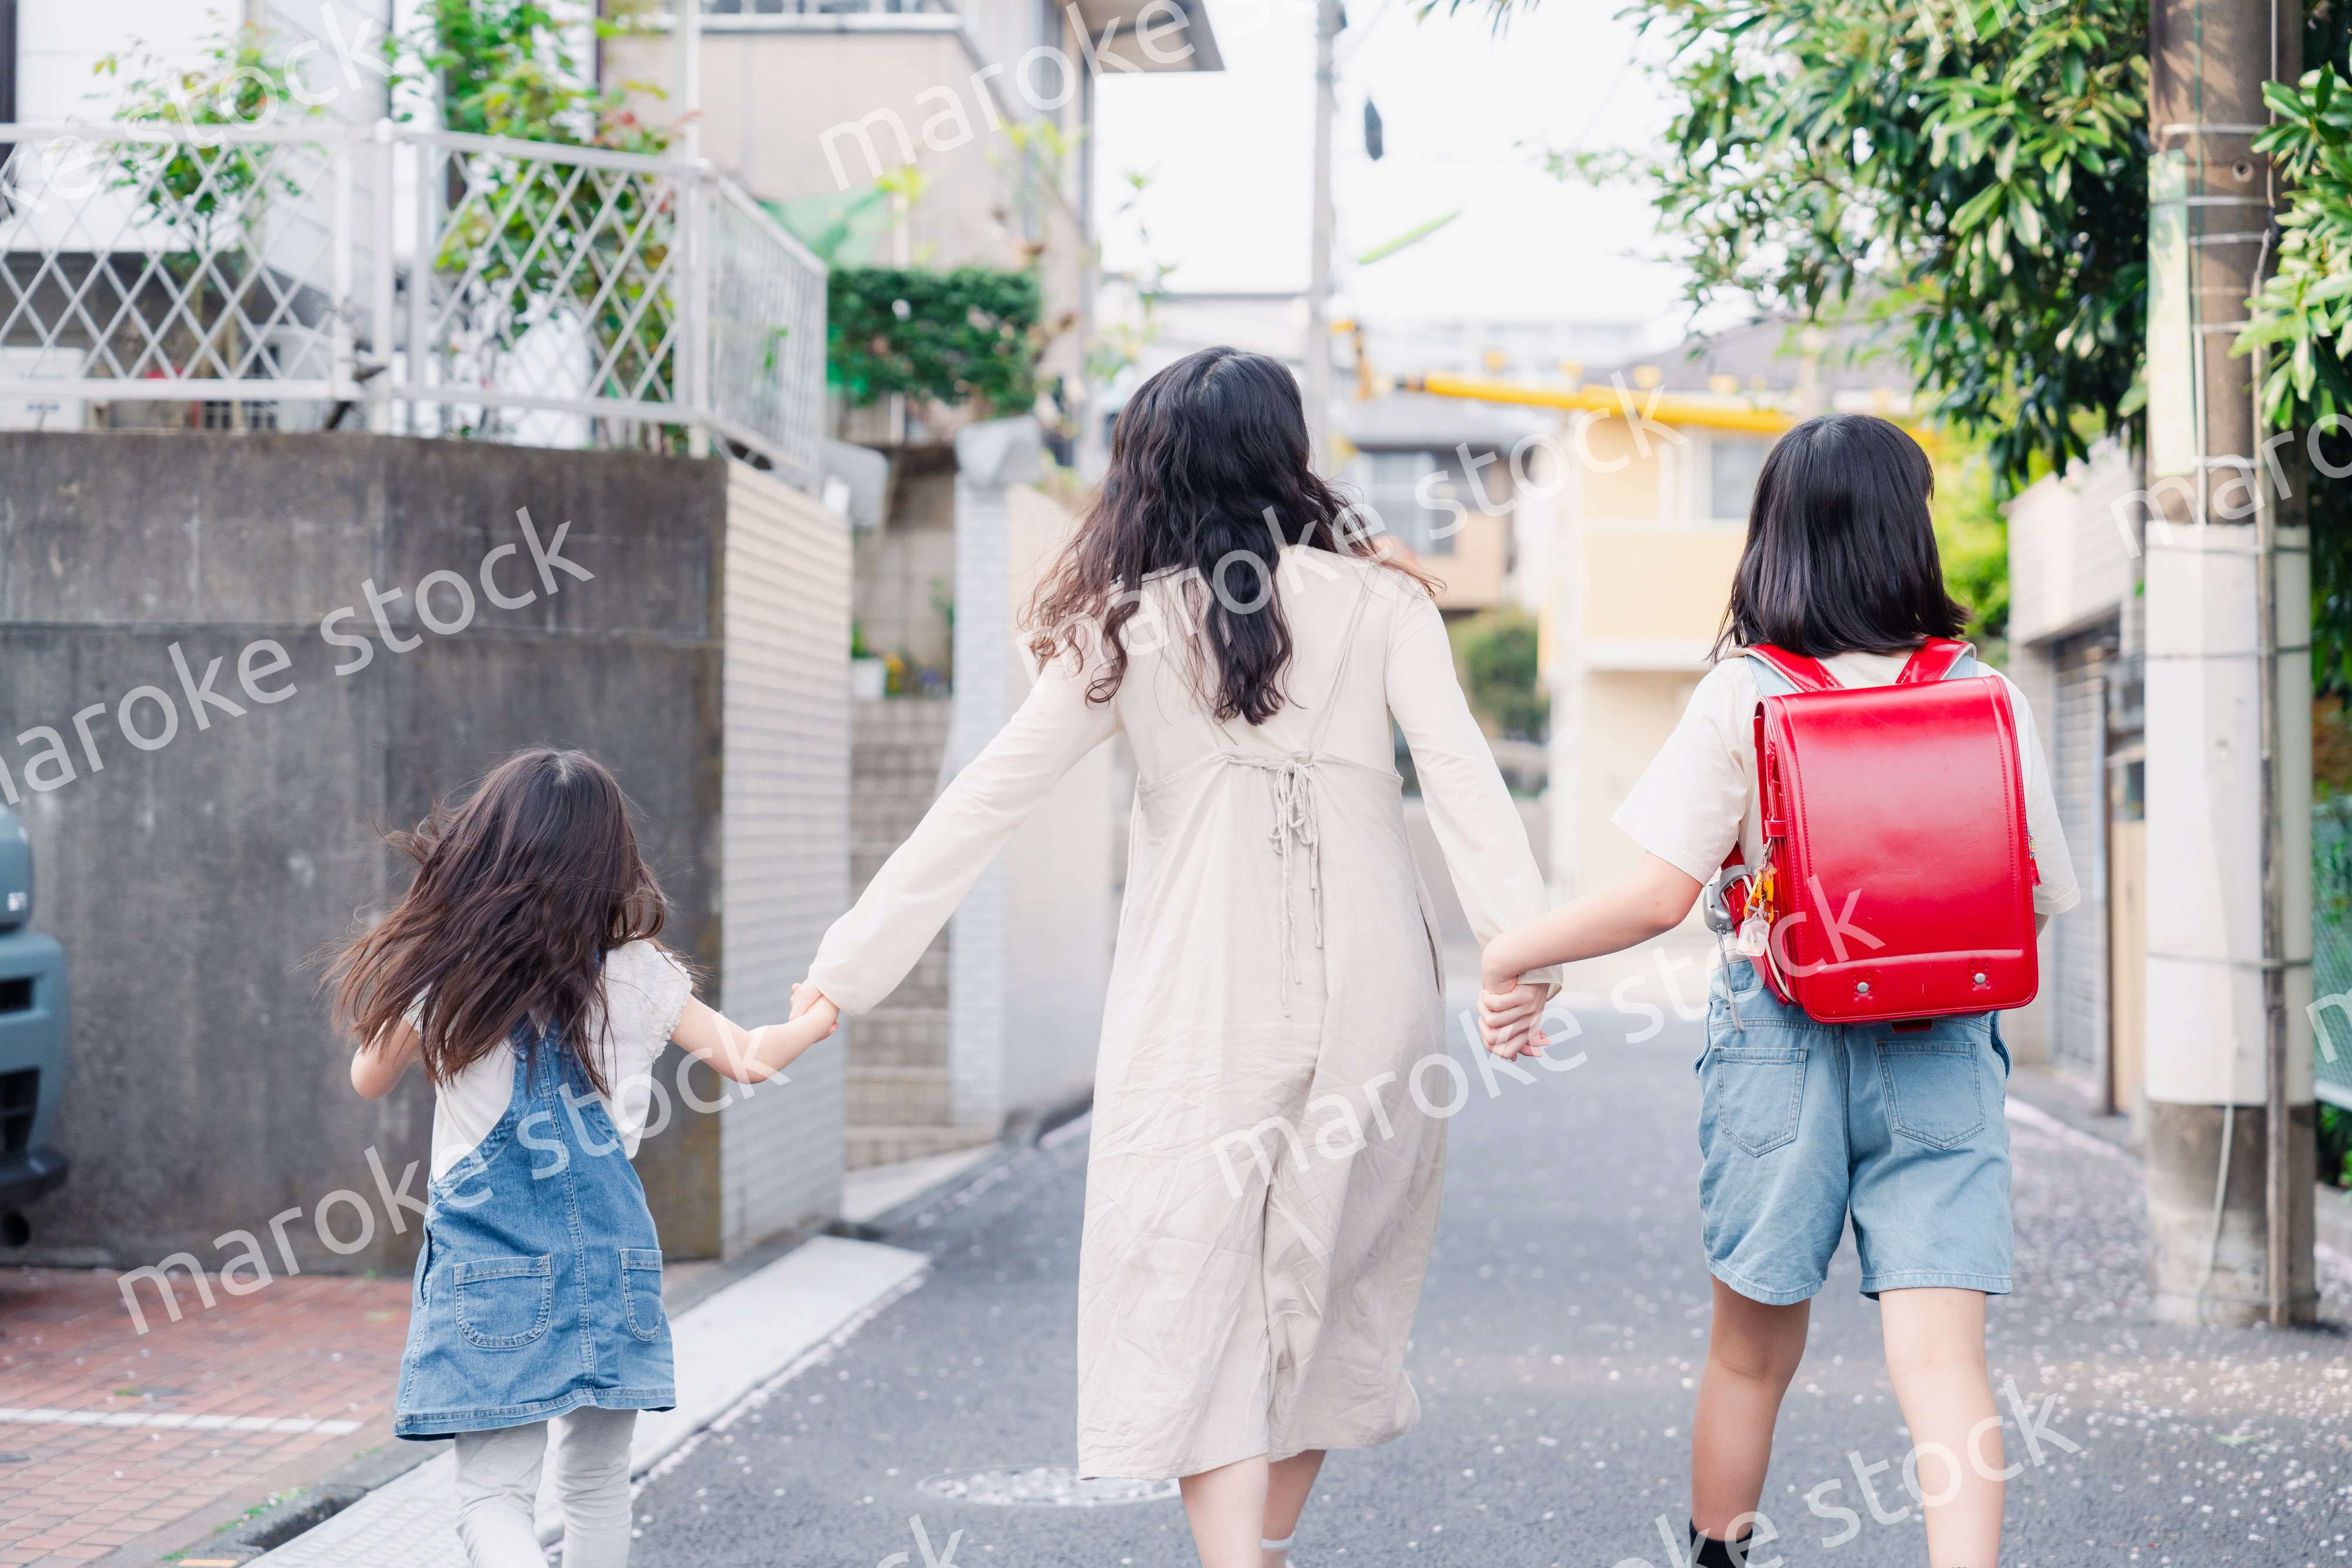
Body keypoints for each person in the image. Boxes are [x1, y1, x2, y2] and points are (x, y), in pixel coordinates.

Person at [788, 346, 1555, 1568]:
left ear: (1149, 468)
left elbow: (981, 799)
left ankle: (1233, 1556)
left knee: (1189, 1275)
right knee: (1334, 1268)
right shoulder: (1387, 602)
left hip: (1199, 993)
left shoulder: (1123, 626)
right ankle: (1258, 1546)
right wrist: (1518, 954)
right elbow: (1461, 781)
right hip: (1375, 984)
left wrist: (841, 975)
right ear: (1285, 451)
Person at [1476, 414, 2079, 1568]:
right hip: (1942, 1040)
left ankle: (1717, 1555)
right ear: (1909, 533)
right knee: (1944, 1362)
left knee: (1749, 1352)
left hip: (1781, 1037)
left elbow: (1655, 897)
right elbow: (2041, 892)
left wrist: (1515, 950)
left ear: (1773, 538)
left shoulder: (1740, 693)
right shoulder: (1983, 692)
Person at [330, 747, 840, 1568]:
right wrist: (817, 1015)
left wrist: (414, 975)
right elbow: (748, 1058)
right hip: (613, 1259)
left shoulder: (448, 968)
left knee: (494, 1500)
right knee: (598, 1486)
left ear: (487, 848)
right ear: (611, 859)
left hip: (491, 1265)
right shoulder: (640, 974)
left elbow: (367, 1078)